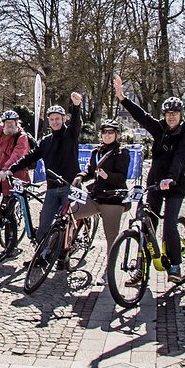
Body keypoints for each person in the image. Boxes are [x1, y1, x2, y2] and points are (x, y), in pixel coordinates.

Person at [115, 74, 185, 282]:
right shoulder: (159, 129)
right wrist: (123, 98)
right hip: (155, 183)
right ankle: (141, 268)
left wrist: (170, 178)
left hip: (174, 184)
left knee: (169, 225)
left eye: (175, 114)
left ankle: (175, 265)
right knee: (148, 225)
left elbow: (179, 158)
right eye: (168, 114)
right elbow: (142, 116)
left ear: (180, 115)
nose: (171, 117)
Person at [0, 91, 84, 255]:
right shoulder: (45, 141)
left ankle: (62, 256)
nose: (54, 122)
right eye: (51, 119)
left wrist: (77, 106)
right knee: (44, 222)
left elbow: (76, 125)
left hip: (69, 187)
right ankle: (40, 254)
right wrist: (11, 170)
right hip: (52, 188)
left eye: (57, 118)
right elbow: (29, 157)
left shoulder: (70, 135)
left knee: (65, 223)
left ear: (63, 119)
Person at [72, 120, 131, 287]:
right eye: (105, 132)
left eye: (111, 132)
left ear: (117, 135)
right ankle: (69, 247)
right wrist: (81, 176)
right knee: (70, 212)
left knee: (111, 237)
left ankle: (108, 271)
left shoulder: (122, 152)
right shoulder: (96, 151)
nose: (107, 135)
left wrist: (108, 176)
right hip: (96, 196)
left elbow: (122, 177)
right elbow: (90, 170)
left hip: (113, 198)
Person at [0, 107, 34, 205]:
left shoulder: (22, 137)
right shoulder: (2, 132)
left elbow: (16, 156)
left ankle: (7, 219)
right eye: (7, 122)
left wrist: (5, 170)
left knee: (8, 207)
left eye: (12, 122)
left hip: (14, 176)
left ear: (16, 123)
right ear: (3, 124)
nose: (9, 125)